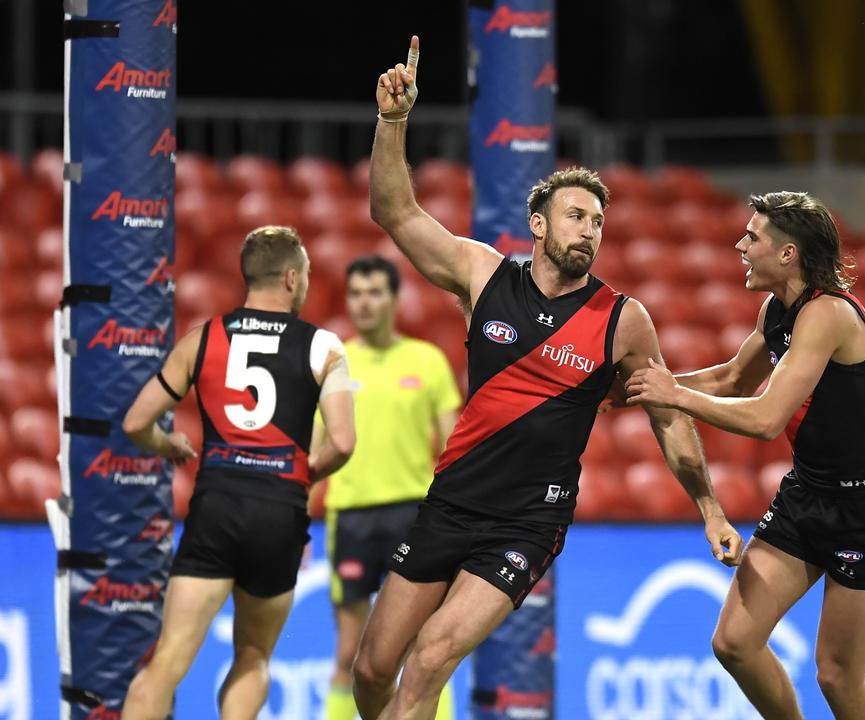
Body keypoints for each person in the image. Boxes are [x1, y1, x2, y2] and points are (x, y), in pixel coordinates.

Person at [350, 36, 743, 720]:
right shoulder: (481, 274)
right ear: (538, 224)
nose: (589, 229)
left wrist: (708, 508)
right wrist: (392, 123)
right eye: (575, 215)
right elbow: (395, 213)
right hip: (451, 501)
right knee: (374, 667)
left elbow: (669, 416)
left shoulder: (623, 320)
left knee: (431, 659)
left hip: (526, 522)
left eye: (597, 220)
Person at [626, 192, 865, 720]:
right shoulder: (777, 308)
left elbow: (764, 419)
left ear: (788, 254)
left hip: (864, 510)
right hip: (808, 495)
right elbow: (733, 378)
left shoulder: (828, 314)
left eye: (752, 236)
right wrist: (638, 389)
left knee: (837, 675)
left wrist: (673, 395)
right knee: (734, 642)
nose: (740, 244)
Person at [120, 226, 357, 720]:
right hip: (278, 510)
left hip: (217, 506)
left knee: (166, 662)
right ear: (292, 278)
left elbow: (137, 421)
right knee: (253, 655)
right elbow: (343, 441)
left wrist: (168, 444)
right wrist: (306, 473)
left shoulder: (202, 338)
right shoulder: (324, 346)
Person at [319, 255, 461, 720]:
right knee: (348, 652)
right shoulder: (334, 363)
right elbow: (314, 450)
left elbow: (455, 449)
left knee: (427, 651)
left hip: (414, 518)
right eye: (356, 293)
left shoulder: (427, 361)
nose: (364, 302)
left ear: (395, 300)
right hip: (351, 515)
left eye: (375, 292)